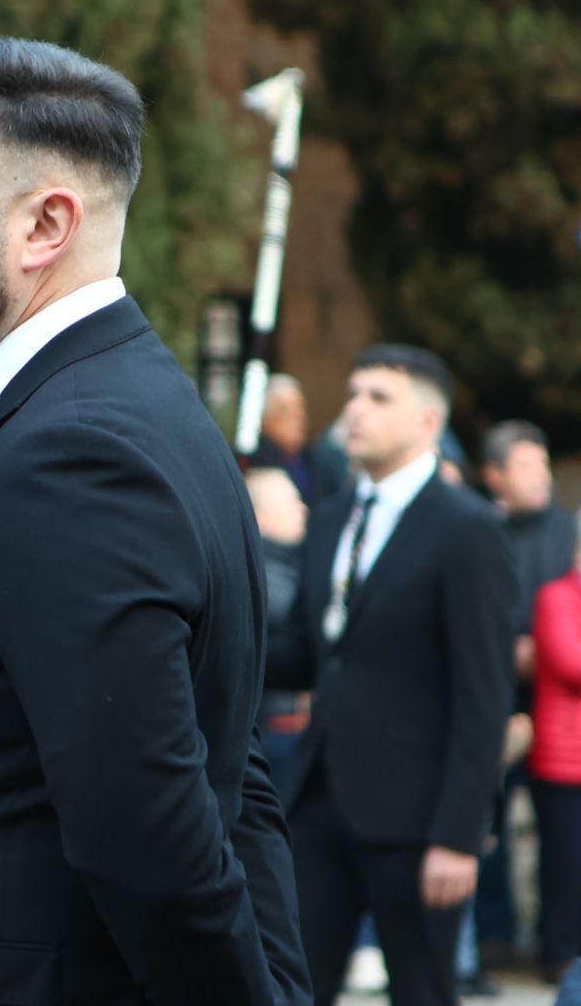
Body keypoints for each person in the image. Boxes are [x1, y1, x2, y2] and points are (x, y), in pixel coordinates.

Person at [0, 35, 310, 1006]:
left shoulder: (74, 450)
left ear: (45, 224)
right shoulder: (121, 406)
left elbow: (158, 835)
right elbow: (229, 776)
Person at [270, 344, 517, 1006]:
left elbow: (484, 692)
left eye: (379, 397)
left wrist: (459, 836)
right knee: (289, 986)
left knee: (422, 991)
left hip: (418, 816)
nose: (354, 409)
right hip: (320, 799)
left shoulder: (467, 531)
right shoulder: (328, 518)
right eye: (353, 393)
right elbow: (309, 651)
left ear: (427, 423)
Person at [476, 420, 574, 978]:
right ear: (494, 476)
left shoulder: (567, 533)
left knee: (562, 837)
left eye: (543, 465)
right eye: (526, 466)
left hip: (558, 708)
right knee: (485, 824)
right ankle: (494, 938)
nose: (540, 476)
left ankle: (555, 944)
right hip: (493, 700)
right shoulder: (476, 530)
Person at [530, 529, 581, 983]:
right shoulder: (556, 597)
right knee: (566, 866)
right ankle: (560, 955)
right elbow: (571, 661)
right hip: (564, 760)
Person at [249, 467, 310, 798]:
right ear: (260, 517)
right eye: (291, 502)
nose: (304, 509)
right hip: (277, 730)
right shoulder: (267, 577)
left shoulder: (288, 566)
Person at [251, 373, 322, 505]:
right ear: (265, 421)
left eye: (300, 407)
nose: (299, 416)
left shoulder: (312, 458)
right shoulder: (257, 463)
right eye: (285, 410)